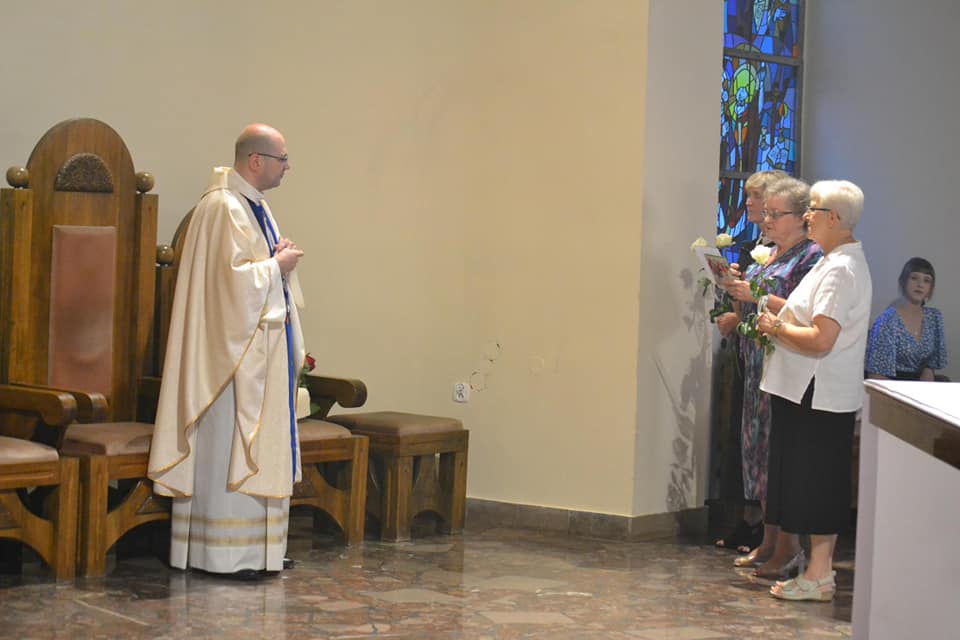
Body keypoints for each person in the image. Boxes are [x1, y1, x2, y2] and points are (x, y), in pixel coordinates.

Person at [148, 123, 307, 579]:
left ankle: (261, 551)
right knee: (227, 448)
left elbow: (252, 270)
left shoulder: (256, 205)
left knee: (259, 447)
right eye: (282, 159)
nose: (287, 167)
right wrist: (275, 266)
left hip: (260, 350)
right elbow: (226, 288)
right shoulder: (222, 207)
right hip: (229, 360)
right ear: (256, 160)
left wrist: (278, 260)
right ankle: (223, 553)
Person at [755, 180, 872, 601]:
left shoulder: (841, 269)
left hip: (819, 392)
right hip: (808, 390)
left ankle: (820, 575)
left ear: (834, 218)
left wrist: (775, 328)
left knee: (818, 482)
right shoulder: (832, 260)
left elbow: (822, 338)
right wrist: (772, 308)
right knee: (806, 480)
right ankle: (814, 572)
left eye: (814, 208)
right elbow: (806, 314)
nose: (807, 215)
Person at [722, 177, 822, 579]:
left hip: (787, 367)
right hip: (757, 364)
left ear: (801, 218)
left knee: (779, 458)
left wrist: (758, 295)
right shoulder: (772, 253)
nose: (766, 220)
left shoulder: (811, 257)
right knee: (759, 456)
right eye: (765, 213)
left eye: (775, 214)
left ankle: (789, 547)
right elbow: (752, 304)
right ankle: (768, 541)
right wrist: (735, 288)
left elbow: (806, 311)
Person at [713, 169, 789, 553]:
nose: (748, 203)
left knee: (767, 444)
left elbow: (787, 305)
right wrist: (733, 290)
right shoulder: (757, 248)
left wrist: (747, 302)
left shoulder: (797, 254)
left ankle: (769, 531)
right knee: (747, 442)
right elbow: (749, 303)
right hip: (750, 352)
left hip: (775, 355)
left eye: (754, 196)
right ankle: (751, 520)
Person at [865, 257, 947, 381]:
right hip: (892, 384)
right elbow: (875, 375)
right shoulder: (887, 321)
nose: (920, 284)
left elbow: (932, 360)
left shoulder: (934, 317)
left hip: (923, 385)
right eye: (914, 278)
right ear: (903, 281)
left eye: (926, 280)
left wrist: (928, 370)